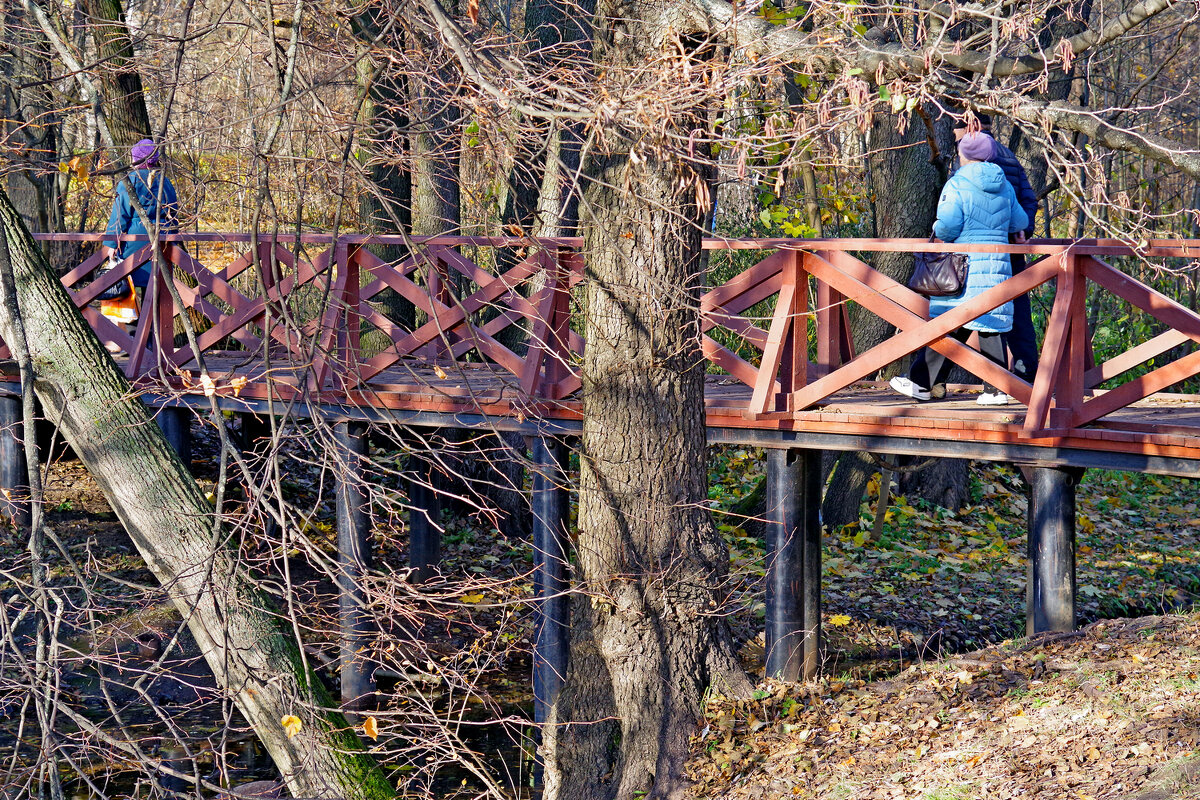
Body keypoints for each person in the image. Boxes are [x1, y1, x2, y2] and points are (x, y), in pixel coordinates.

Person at [890, 132, 1029, 406]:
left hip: (963, 267)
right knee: (988, 323)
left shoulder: (957, 183)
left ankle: (921, 383)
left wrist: (937, 226)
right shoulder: (1004, 185)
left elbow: (947, 227)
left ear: (963, 155)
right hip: (996, 267)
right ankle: (993, 391)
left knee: (951, 323)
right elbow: (1019, 221)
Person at [954, 115, 1040, 383]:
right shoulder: (1009, 157)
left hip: (976, 250)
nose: (957, 142)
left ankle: (994, 383)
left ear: (971, 129)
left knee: (966, 313)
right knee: (1017, 309)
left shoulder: (972, 159)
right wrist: (1022, 230)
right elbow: (1028, 199)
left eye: (957, 135)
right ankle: (1025, 373)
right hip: (1010, 247)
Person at [100, 139, 179, 290]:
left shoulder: (130, 181)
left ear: (136, 158)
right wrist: (173, 239)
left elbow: (119, 215)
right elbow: (173, 213)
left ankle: (138, 308)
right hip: (162, 240)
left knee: (129, 285)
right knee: (157, 289)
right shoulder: (165, 180)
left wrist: (111, 243)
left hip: (135, 242)